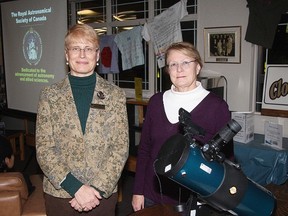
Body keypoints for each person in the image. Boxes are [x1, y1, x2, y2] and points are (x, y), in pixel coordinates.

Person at [36, 24, 129, 216]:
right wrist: (76, 188)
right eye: (75, 48)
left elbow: (120, 147)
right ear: (67, 55)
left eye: (88, 49)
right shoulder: (50, 95)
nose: (82, 54)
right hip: (60, 194)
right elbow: (44, 148)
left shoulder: (115, 95)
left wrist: (95, 189)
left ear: (97, 56)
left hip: (101, 195)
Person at [132, 42, 233, 214]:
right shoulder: (156, 102)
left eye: (186, 62)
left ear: (198, 67)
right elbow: (145, 150)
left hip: (195, 200)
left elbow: (227, 160)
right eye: (173, 64)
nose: (179, 69)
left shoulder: (217, 107)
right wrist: (137, 191)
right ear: (167, 70)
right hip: (153, 194)